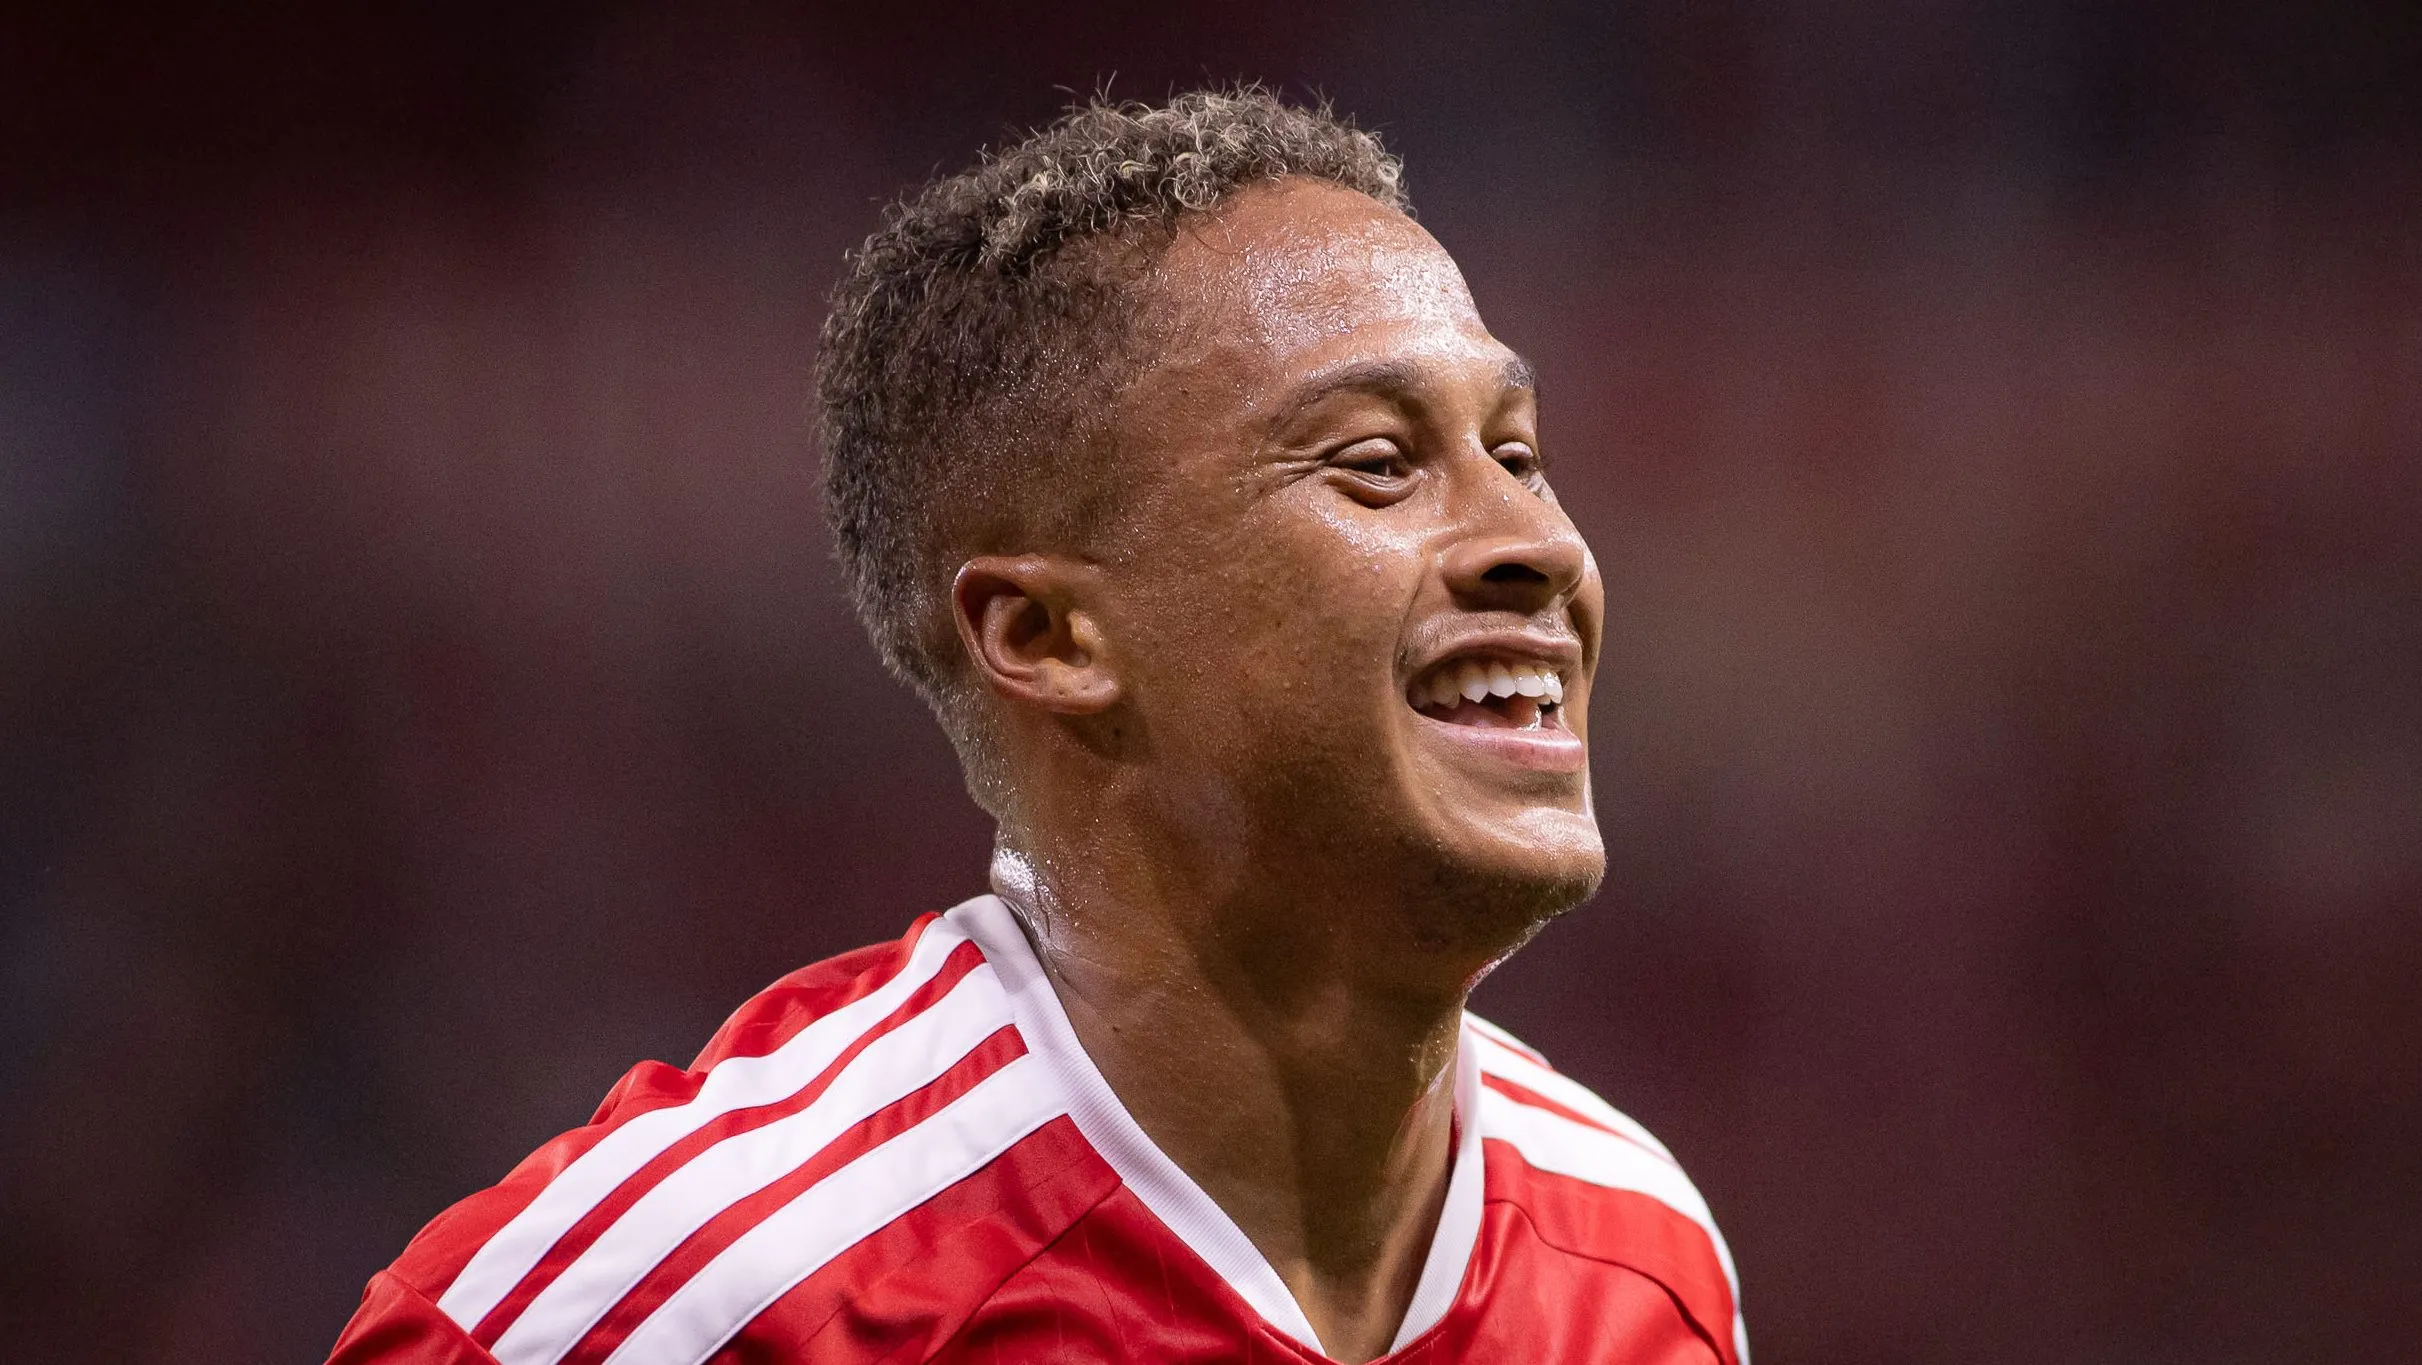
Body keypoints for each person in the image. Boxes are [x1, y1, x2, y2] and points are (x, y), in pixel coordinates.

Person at [328, 86, 1745, 1365]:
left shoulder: (1639, 1263)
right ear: (1046, 636)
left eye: (1517, 454)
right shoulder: (713, 1302)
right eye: (1376, 464)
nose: (1538, 547)